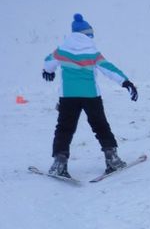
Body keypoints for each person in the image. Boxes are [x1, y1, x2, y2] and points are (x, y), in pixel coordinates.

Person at [41, 13, 137, 178]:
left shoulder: (62, 49)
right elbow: (108, 68)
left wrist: (47, 71)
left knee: (64, 128)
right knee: (100, 125)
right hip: (91, 95)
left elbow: (48, 62)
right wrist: (126, 82)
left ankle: (59, 163)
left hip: (68, 96)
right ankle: (112, 159)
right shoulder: (92, 51)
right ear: (87, 34)